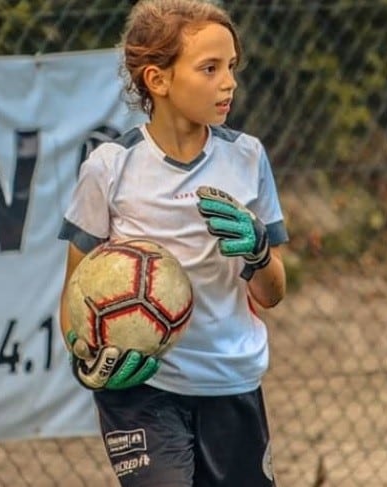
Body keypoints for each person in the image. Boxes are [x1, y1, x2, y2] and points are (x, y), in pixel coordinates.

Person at [57, 0, 288, 485]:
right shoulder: (110, 167)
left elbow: (272, 293)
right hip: (145, 390)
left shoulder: (247, 158)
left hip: (232, 380)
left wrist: (258, 250)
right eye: (209, 69)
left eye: (231, 67)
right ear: (157, 80)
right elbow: (75, 295)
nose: (229, 82)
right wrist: (88, 357)